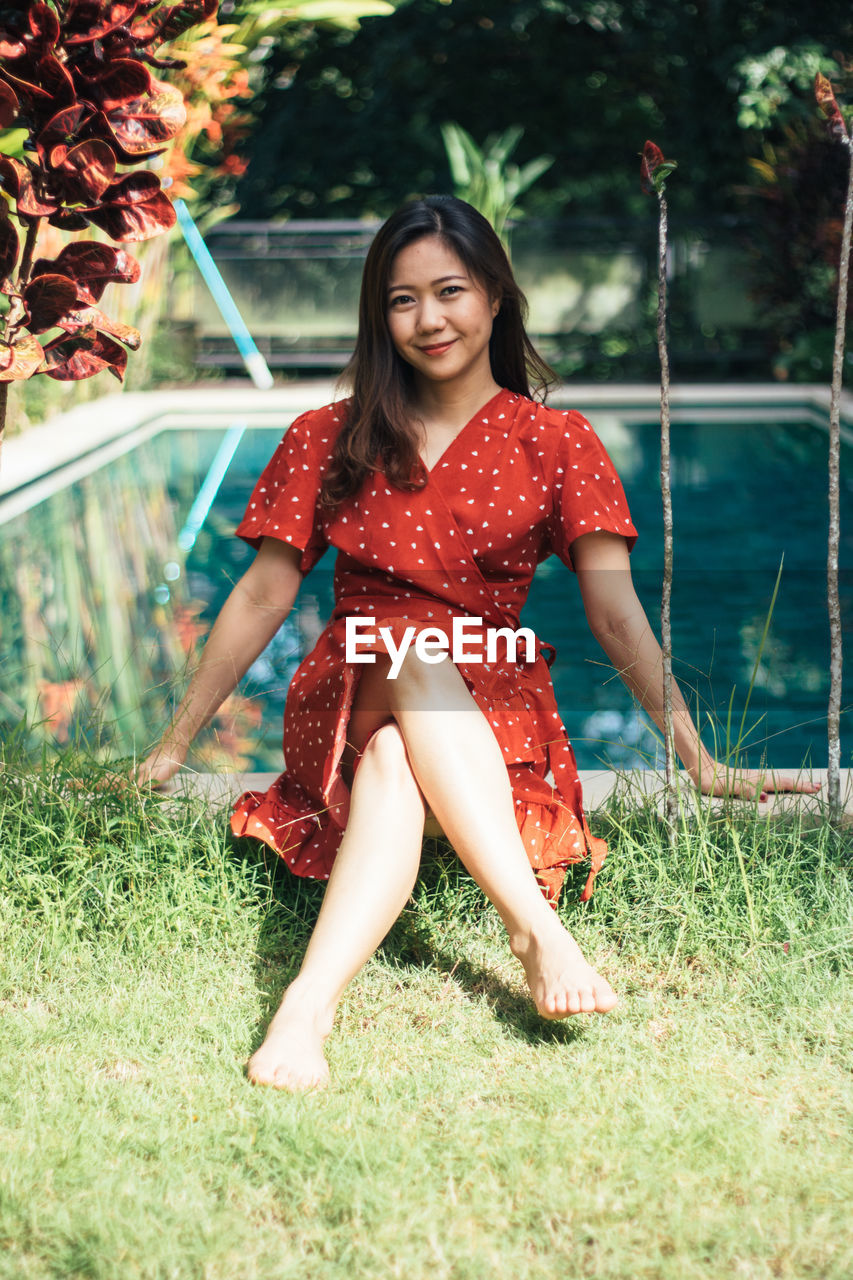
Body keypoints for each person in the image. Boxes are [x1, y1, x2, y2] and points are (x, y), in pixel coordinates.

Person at [139, 196, 816, 1092]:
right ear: (378, 317)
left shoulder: (558, 440)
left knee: (392, 767)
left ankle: (306, 1004)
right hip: (358, 679)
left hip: (492, 702)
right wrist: (176, 743)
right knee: (403, 658)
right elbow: (263, 594)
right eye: (400, 299)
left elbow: (613, 614)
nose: (428, 319)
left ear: (494, 295)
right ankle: (534, 928)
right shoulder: (329, 435)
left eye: (449, 291)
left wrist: (694, 755)